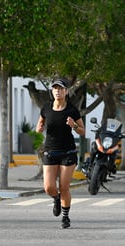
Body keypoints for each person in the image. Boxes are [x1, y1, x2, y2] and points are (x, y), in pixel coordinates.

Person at [35, 78, 85, 228]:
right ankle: (56, 199)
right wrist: (39, 127)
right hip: (50, 151)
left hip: (67, 152)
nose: (57, 90)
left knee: (64, 187)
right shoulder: (46, 108)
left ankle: (65, 217)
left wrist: (74, 125)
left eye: (61, 88)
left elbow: (82, 131)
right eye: (55, 88)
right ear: (52, 91)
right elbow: (41, 123)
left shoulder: (72, 110)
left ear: (66, 91)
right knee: (49, 187)